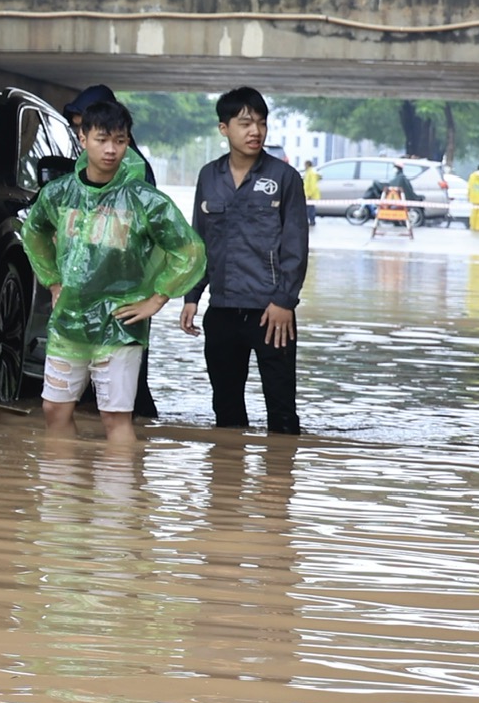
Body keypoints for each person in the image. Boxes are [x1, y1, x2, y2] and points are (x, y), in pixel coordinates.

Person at [22, 97, 206, 445]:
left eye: (119, 141)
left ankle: (118, 498)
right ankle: (60, 495)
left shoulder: (145, 200)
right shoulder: (59, 194)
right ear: (83, 138)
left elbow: (189, 250)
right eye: (102, 139)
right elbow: (34, 232)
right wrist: (53, 280)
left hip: (120, 323)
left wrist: (156, 299)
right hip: (69, 319)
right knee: (54, 409)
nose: (111, 149)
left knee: (115, 417)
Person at [179, 87, 310, 435]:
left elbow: (296, 246)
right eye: (245, 123)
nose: (256, 131)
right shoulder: (209, 176)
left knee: (282, 413)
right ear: (224, 129)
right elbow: (200, 240)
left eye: (262, 123)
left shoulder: (285, 179)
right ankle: (226, 483)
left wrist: (284, 301)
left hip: (271, 313)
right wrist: (192, 296)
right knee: (225, 410)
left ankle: (279, 481)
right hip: (221, 310)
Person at [60, 83, 163, 421]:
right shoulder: (83, 170)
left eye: (84, 125)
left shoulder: (131, 170)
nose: (82, 133)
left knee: (122, 394)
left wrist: (155, 297)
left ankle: (127, 457)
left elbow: (160, 240)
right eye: (80, 128)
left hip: (122, 291)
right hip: (92, 294)